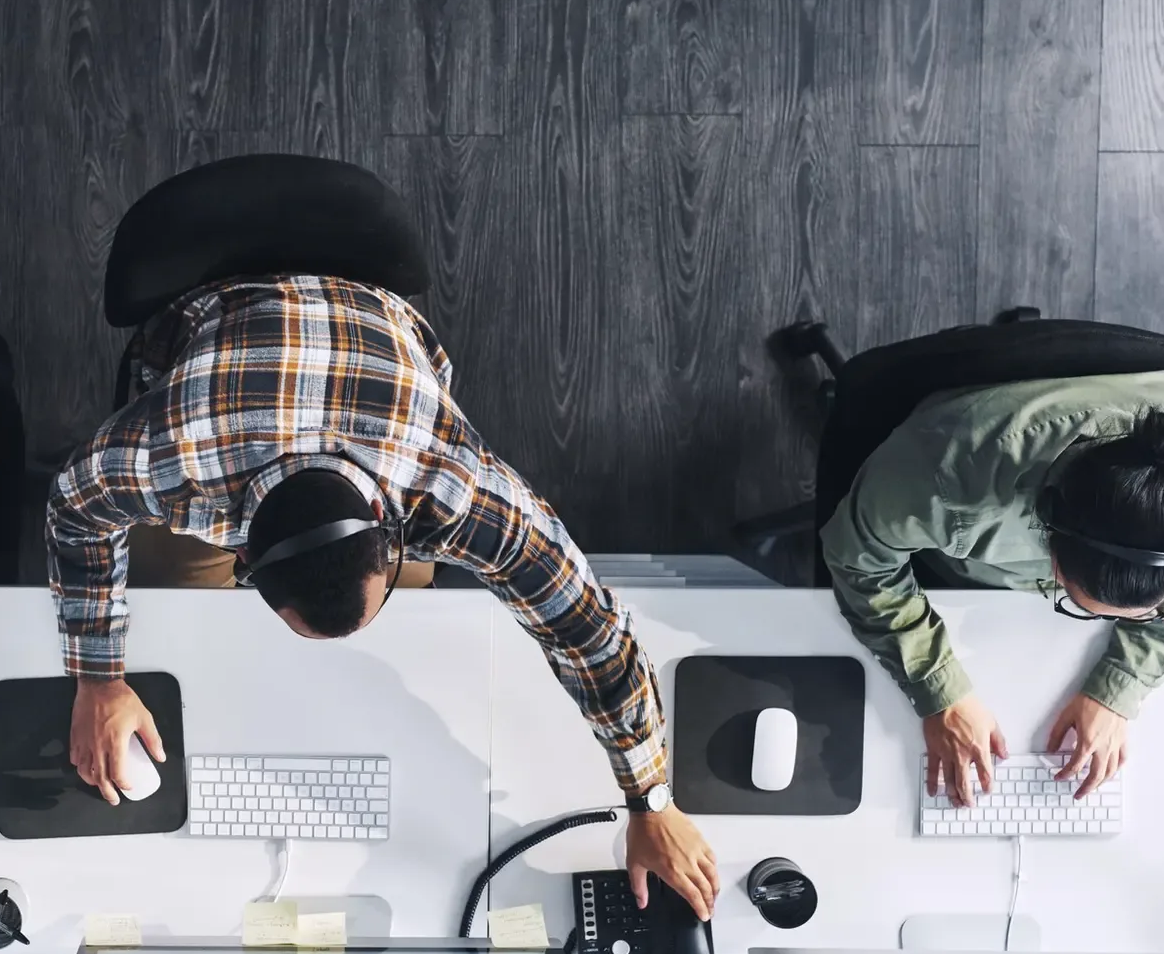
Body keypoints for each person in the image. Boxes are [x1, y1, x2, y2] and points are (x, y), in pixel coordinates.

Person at [46, 274, 719, 917]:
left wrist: (651, 801)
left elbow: (589, 632)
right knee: (177, 609)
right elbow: (73, 509)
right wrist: (99, 679)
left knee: (422, 626)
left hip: (377, 375)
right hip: (219, 326)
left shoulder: (450, 485)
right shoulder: (172, 460)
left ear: (386, 528)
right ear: (241, 554)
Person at [821, 372, 1164, 806]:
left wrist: (1121, 685)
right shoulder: (942, 482)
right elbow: (859, 560)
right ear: (1050, 551)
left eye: (1151, 609)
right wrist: (939, 690)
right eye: (1081, 605)